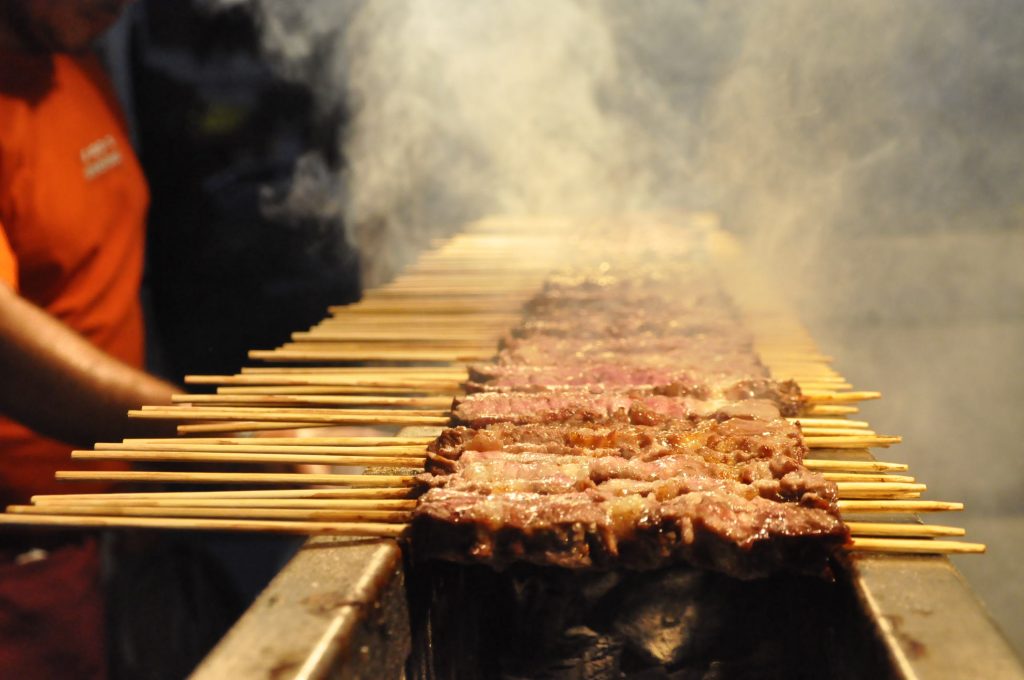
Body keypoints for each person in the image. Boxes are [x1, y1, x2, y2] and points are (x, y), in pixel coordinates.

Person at [0, 1, 179, 677]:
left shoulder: (72, 54)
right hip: (17, 568)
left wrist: (130, 479)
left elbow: (99, 279)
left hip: (95, 534)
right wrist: (213, 431)